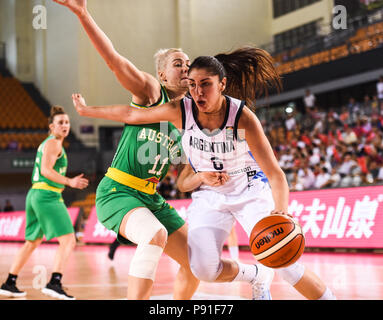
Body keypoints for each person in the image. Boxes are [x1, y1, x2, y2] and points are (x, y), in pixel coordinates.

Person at [72, 46, 336, 300]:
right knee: (201, 269)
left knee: (286, 264)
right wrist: (88, 111)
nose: (198, 91)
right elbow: (133, 116)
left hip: (248, 191)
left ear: (221, 84)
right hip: (211, 197)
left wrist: (282, 209)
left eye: (205, 83)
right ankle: (257, 276)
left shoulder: (241, 117)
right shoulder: (181, 115)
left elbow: (276, 174)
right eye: (193, 84)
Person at [53, 0, 199, 300]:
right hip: (117, 191)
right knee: (153, 235)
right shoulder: (151, 92)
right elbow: (114, 61)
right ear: (161, 75)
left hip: (152, 197)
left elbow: (184, 179)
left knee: (198, 263)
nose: (186, 67)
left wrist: (207, 176)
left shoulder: (189, 119)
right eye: (177, 63)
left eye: (188, 63)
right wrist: (83, 14)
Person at [0, 106, 89, 300]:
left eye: (67, 122)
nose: (65, 125)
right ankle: (54, 283)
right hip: (47, 196)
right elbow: (46, 171)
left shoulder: (48, 143)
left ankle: (9, 282)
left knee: (32, 242)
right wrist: (69, 181)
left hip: (35, 194)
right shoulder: (54, 143)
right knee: (68, 240)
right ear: (51, 126)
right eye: (60, 123)